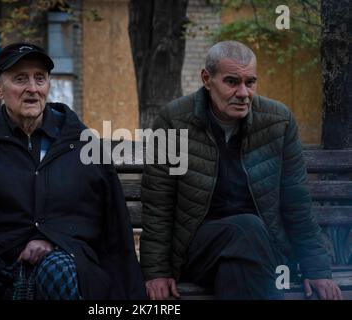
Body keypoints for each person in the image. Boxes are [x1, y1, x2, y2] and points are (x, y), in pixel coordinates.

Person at [0, 42, 146, 300]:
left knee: (58, 273)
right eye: (20, 79)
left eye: (39, 79)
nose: (32, 89)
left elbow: (103, 216)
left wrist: (55, 240)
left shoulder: (83, 143)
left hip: (66, 256)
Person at [140, 40, 343, 300]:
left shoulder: (278, 121)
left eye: (250, 82)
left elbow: (296, 202)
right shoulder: (173, 121)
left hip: (265, 249)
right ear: (206, 78)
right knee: (247, 228)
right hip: (199, 249)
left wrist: (317, 269)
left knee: (239, 262)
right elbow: (159, 203)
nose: (244, 93)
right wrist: (156, 271)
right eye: (232, 81)